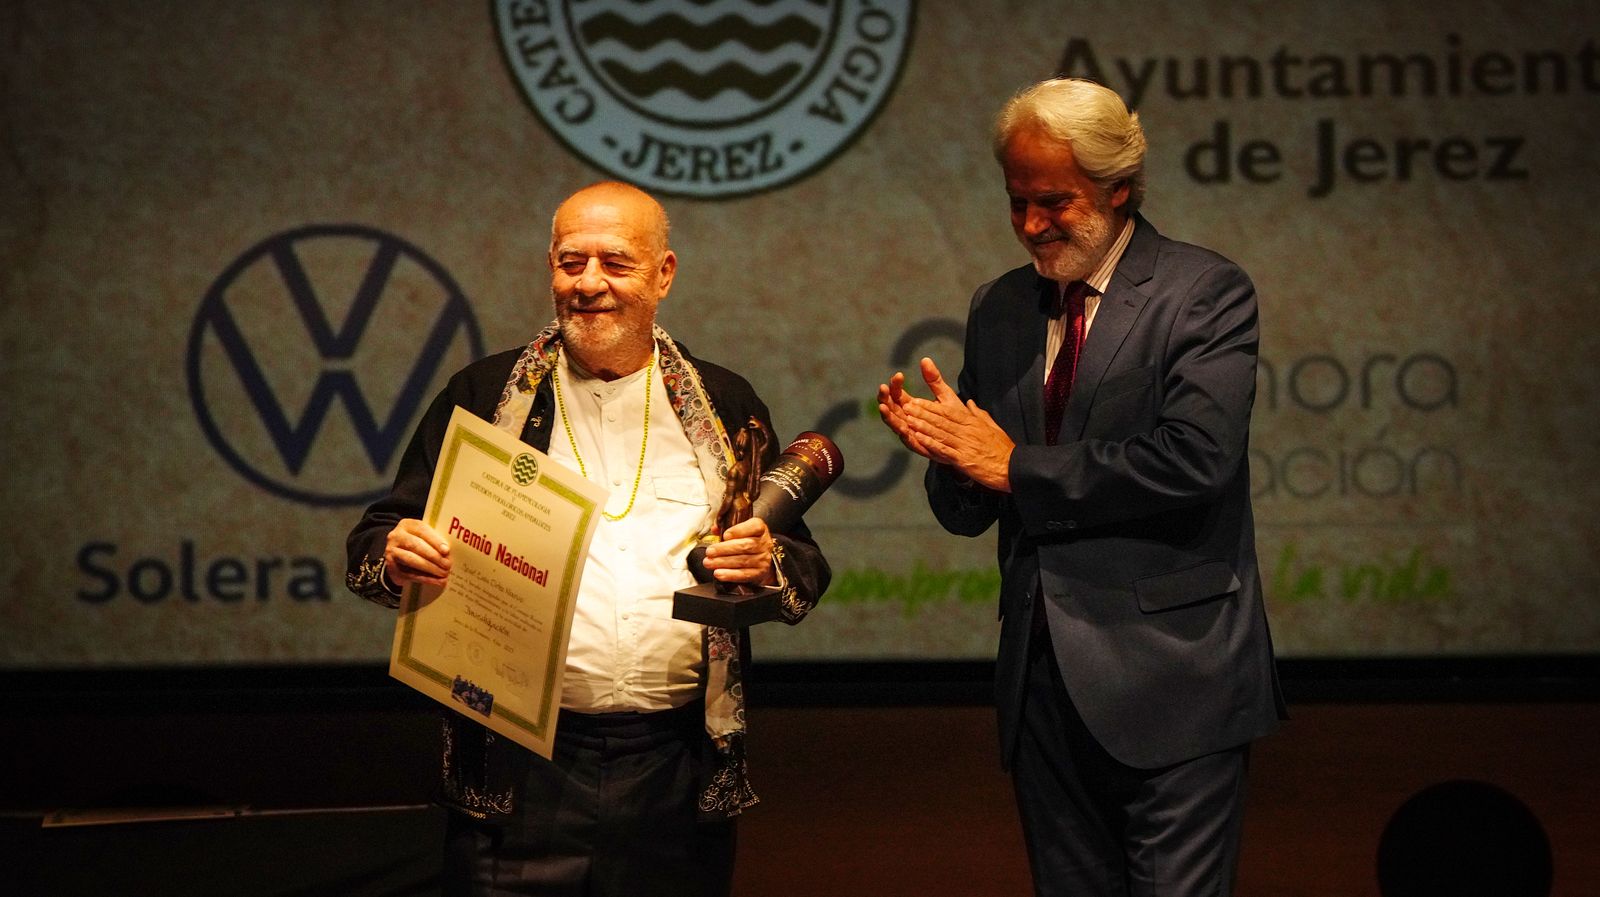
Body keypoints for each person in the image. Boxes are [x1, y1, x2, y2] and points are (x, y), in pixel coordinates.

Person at [347, 181, 829, 897]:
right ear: (550, 267)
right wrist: (397, 557)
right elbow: (374, 542)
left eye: (616, 263)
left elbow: (803, 565)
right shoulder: (484, 395)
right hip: (518, 764)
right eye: (571, 263)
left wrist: (765, 563)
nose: (589, 283)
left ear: (663, 274)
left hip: (675, 768)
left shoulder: (723, 402)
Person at [877, 78, 1284, 896]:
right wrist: (949, 456)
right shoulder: (1000, 307)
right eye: (1017, 202)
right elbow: (969, 507)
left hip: (1175, 683)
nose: (1032, 224)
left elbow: (1195, 457)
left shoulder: (1202, 292)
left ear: (1118, 186)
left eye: (1054, 202)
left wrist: (1012, 465)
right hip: (1042, 691)